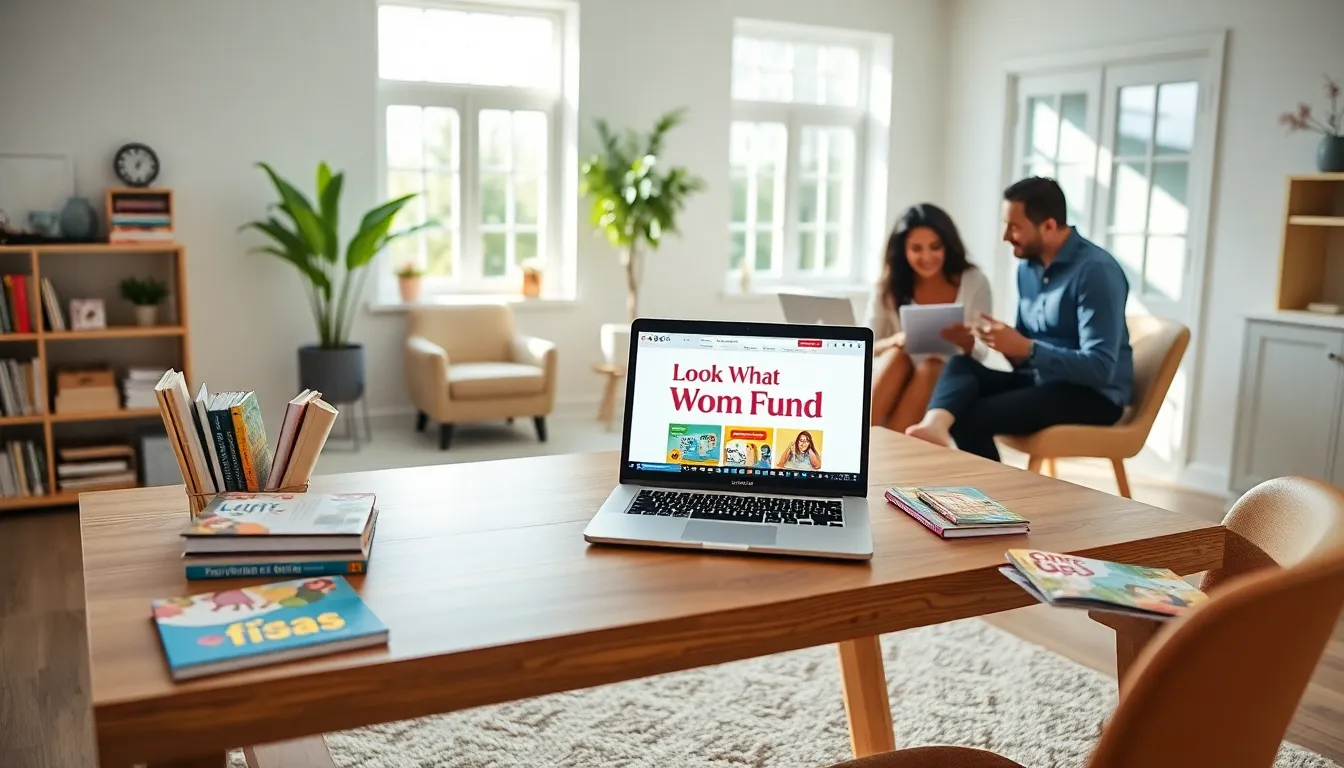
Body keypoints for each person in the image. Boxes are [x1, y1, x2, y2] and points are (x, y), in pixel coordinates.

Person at [905, 177, 1133, 461]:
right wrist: (1001, 340)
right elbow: (1026, 355)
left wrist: (1026, 347)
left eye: (1014, 227)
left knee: (969, 416)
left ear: (1049, 226)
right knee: (962, 364)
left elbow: (1100, 368)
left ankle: (989, 501)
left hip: (1093, 396)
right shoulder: (1027, 269)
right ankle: (933, 426)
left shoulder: (1096, 272)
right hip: (1043, 381)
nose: (1005, 236)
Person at [865, 203, 993, 432]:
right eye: (916, 248)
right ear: (903, 250)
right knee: (897, 356)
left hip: (944, 378)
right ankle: (860, 445)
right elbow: (866, 347)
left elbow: (984, 349)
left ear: (947, 245)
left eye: (935, 247)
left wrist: (969, 343)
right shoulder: (888, 287)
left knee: (932, 366)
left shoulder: (974, 281)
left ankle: (891, 454)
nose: (927, 257)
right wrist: (896, 340)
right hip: (896, 373)